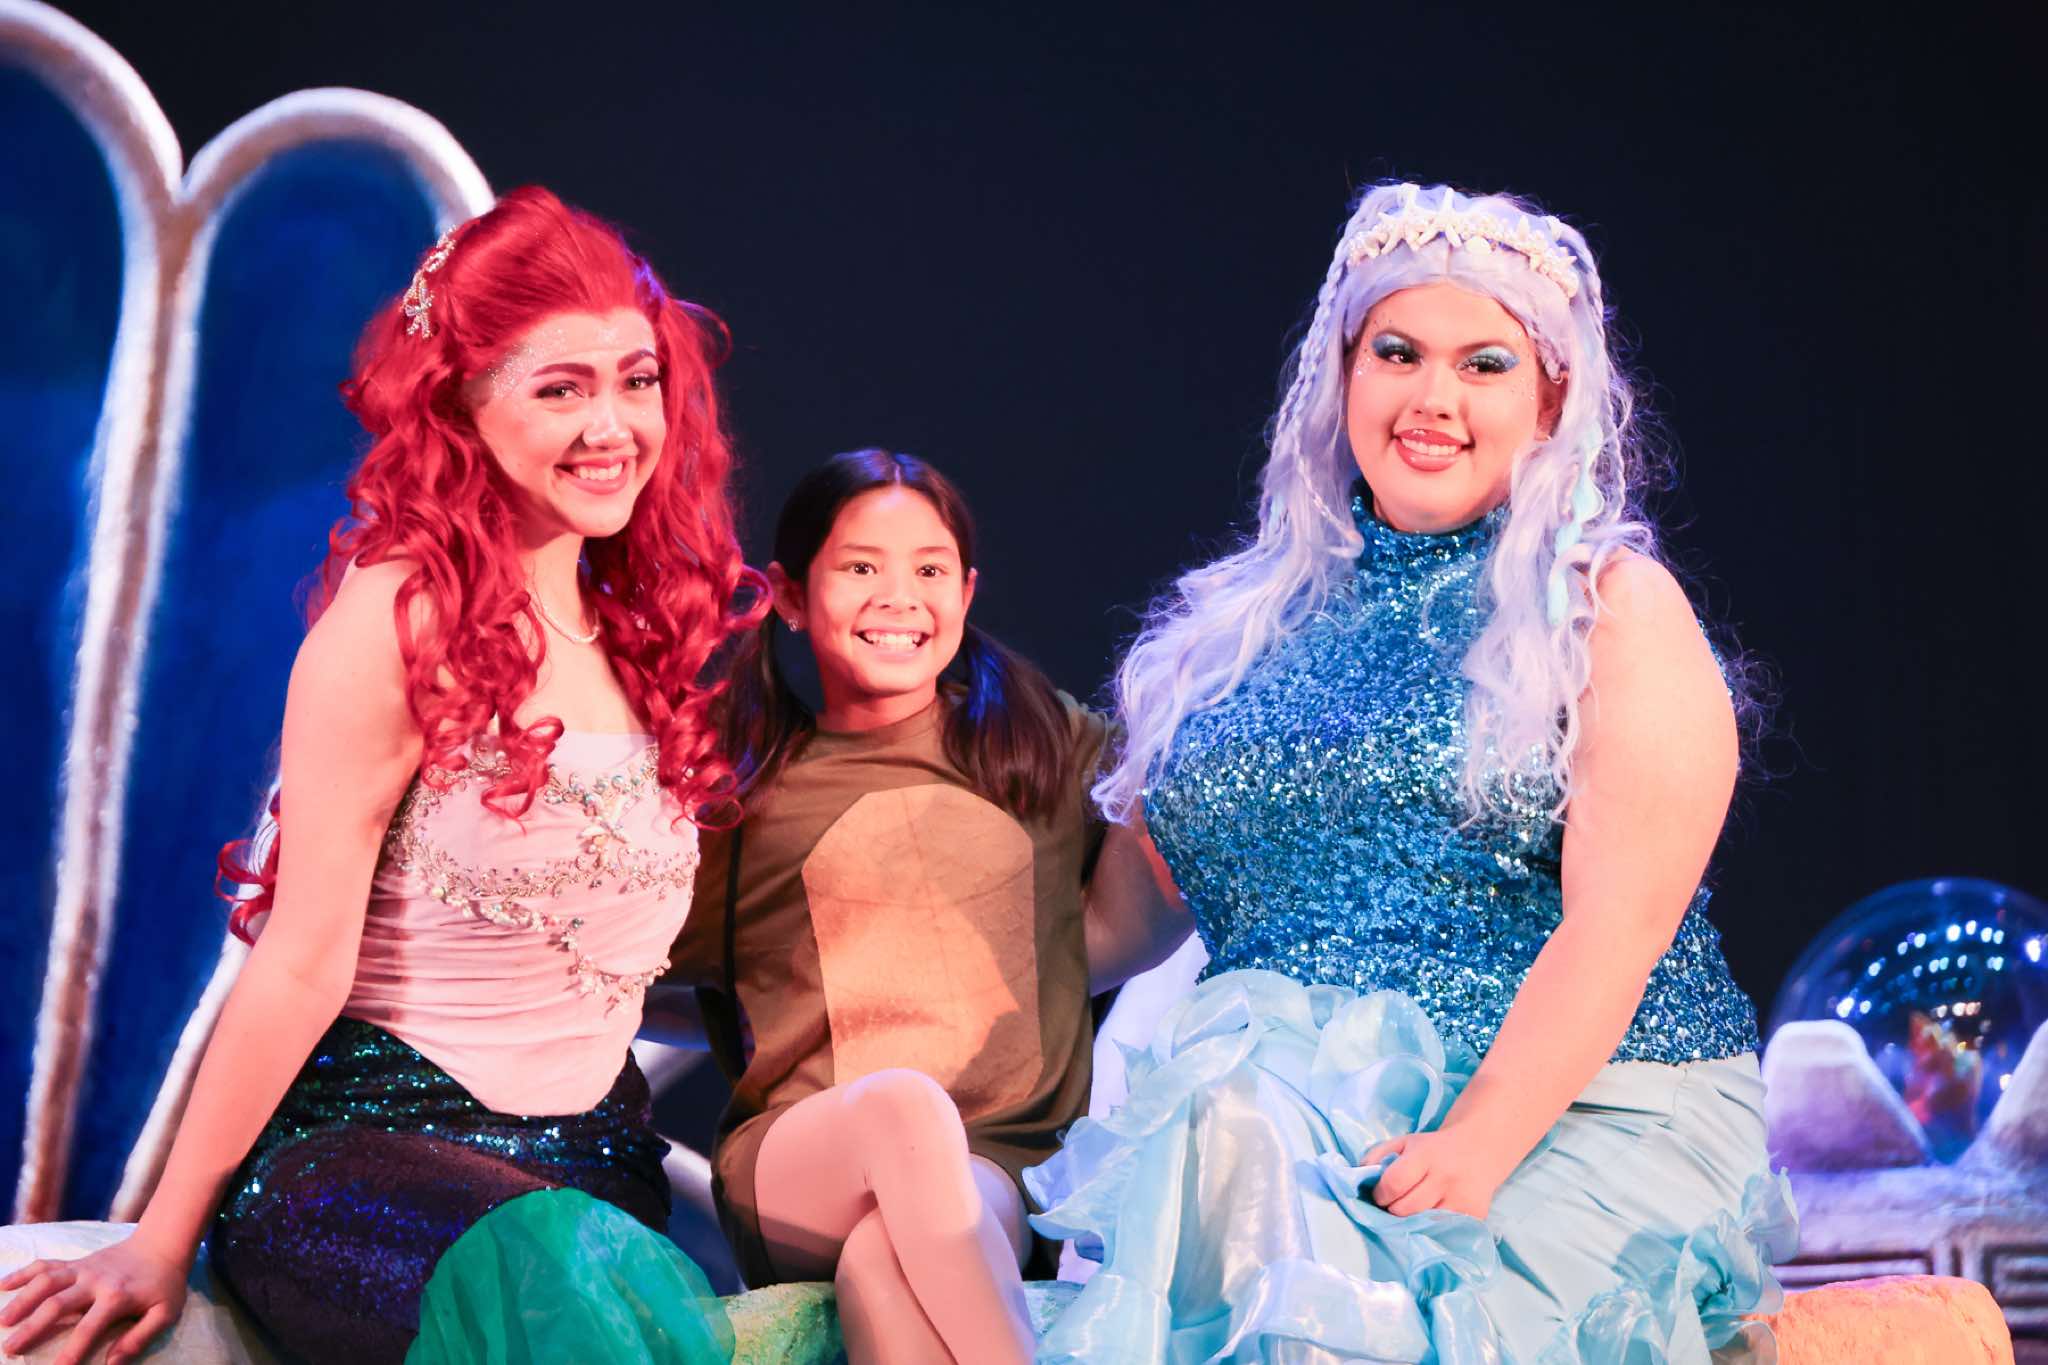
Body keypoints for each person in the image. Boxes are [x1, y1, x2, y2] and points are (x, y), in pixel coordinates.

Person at [1030, 182, 1800, 1363]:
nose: (1432, 398)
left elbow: (1618, 925)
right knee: (1225, 1131)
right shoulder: (1238, 631)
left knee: (1384, 1294)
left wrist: (1476, 1145)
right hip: (1295, 1116)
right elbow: (1117, 922)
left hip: (1581, 1104)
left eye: (1482, 364)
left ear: (1549, 401)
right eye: (1396, 354)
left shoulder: (1606, 607)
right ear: (1342, 373)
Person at [0, 187, 754, 1365]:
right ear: (462, 402)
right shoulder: (401, 620)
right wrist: (159, 1235)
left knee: (595, 1275)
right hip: (369, 1163)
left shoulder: (639, 627)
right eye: (560, 389)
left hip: (594, 1169)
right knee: (551, 1277)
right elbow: (299, 961)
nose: (612, 425)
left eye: (635, 379)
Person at [664, 449, 1147, 1365]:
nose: (899, 597)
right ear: (790, 594)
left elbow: (1175, 846)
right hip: (803, 1165)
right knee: (900, 1108)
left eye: (929, 570)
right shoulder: (744, 793)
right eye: (860, 567)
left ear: (966, 592)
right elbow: (626, 976)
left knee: (883, 1263)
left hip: (992, 1164)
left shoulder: (1041, 745)